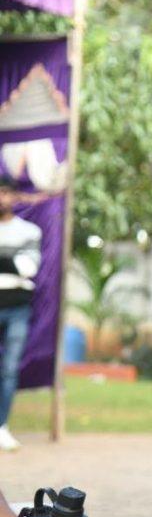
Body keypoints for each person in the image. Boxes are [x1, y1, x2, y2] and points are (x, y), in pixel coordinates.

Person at [0, 175, 45, 452]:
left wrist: (8, 262)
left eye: (6, 192)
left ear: (15, 196)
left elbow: (28, 268)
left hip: (17, 307)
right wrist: (10, 261)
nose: (2, 198)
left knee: (8, 370)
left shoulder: (29, 231)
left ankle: (1, 426)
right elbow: (16, 265)